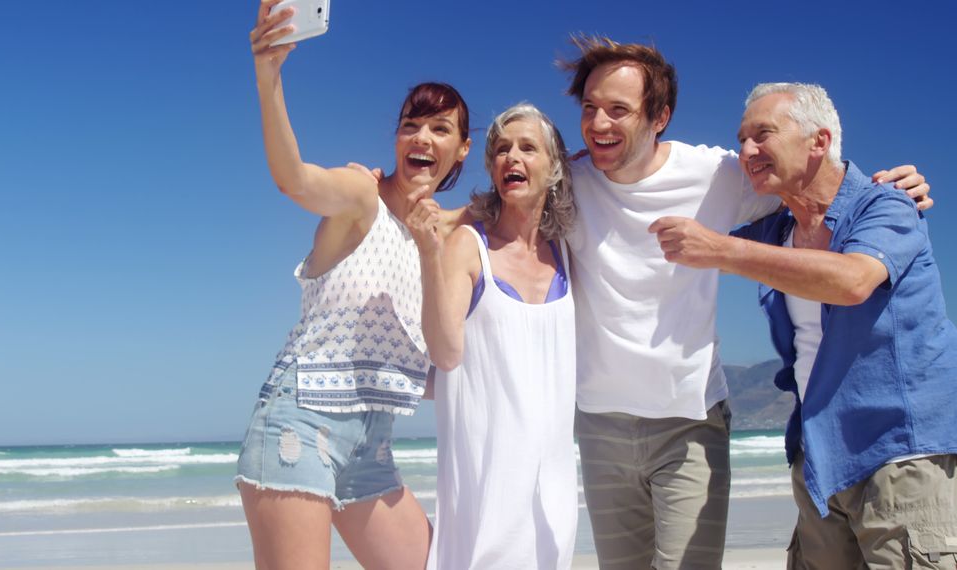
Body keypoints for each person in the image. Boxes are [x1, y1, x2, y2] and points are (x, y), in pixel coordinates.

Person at [559, 37, 932, 569]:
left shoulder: (717, 174)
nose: (599, 124)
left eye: (618, 110)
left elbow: (816, 178)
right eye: (590, 109)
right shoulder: (568, 181)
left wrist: (891, 187)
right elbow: (498, 209)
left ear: (659, 116)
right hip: (599, 422)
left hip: (690, 418)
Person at [651, 82, 957, 568]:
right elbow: (665, 231)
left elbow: (854, 279)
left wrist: (723, 251)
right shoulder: (774, 232)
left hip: (900, 455)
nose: (746, 151)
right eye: (742, 138)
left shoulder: (886, 204)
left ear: (819, 141)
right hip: (818, 458)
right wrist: (597, 166)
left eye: (762, 134)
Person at [235, 2, 471, 568]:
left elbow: (510, 206)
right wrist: (269, 75)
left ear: (461, 150)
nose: (422, 136)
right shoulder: (361, 197)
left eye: (440, 128)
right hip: (300, 422)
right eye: (410, 125)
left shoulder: (441, 234)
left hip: (373, 449)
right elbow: (295, 179)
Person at [408, 103, 577, 569]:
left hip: (554, 491)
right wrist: (428, 253)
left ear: (555, 167)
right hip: (487, 487)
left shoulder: (565, 253)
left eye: (527, 148)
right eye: (501, 149)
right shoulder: (469, 246)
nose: (511, 158)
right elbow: (445, 354)